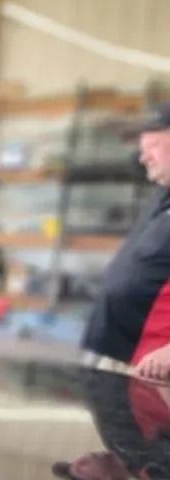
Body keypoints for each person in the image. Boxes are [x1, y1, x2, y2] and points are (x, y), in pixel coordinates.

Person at [82, 105, 170, 376]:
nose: (144, 157)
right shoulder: (162, 195)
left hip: (153, 364)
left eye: (153, 145)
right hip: (117, 354)